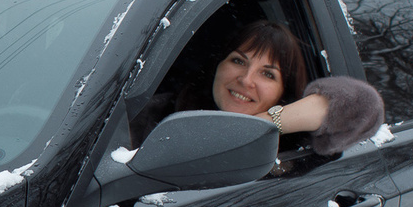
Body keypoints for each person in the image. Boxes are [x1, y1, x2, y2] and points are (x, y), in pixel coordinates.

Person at [134, 18, 384, 156]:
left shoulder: (292, 147)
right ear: (217, 66)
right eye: (238, 61)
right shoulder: (156, 115)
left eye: (268, 74)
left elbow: (365, 104)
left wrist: (262, 124)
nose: (246, 79)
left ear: (282, 91)